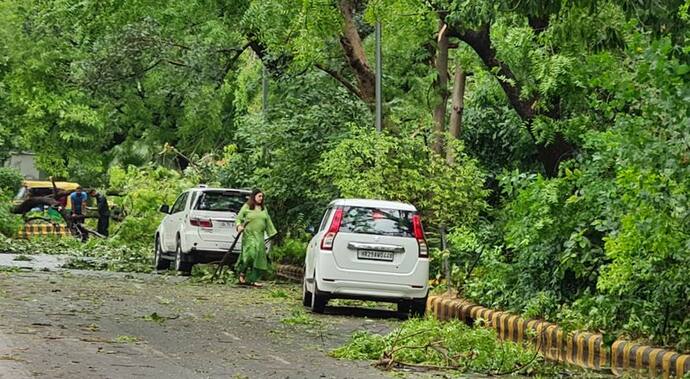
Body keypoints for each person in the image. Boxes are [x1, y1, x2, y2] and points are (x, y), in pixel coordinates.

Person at [234, 189, 277, 287]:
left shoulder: (263, 208)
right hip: (249, 235)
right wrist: (239, 226)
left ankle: (254, 279)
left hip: (260, 236)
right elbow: (239, 218)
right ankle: (242, 273)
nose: (261, 198)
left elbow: (268, 220)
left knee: (259, 257)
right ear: (254, 197)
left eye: (262, 197)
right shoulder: (247, 206)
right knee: (250, 254)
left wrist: (272, 233)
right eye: (259, 196)